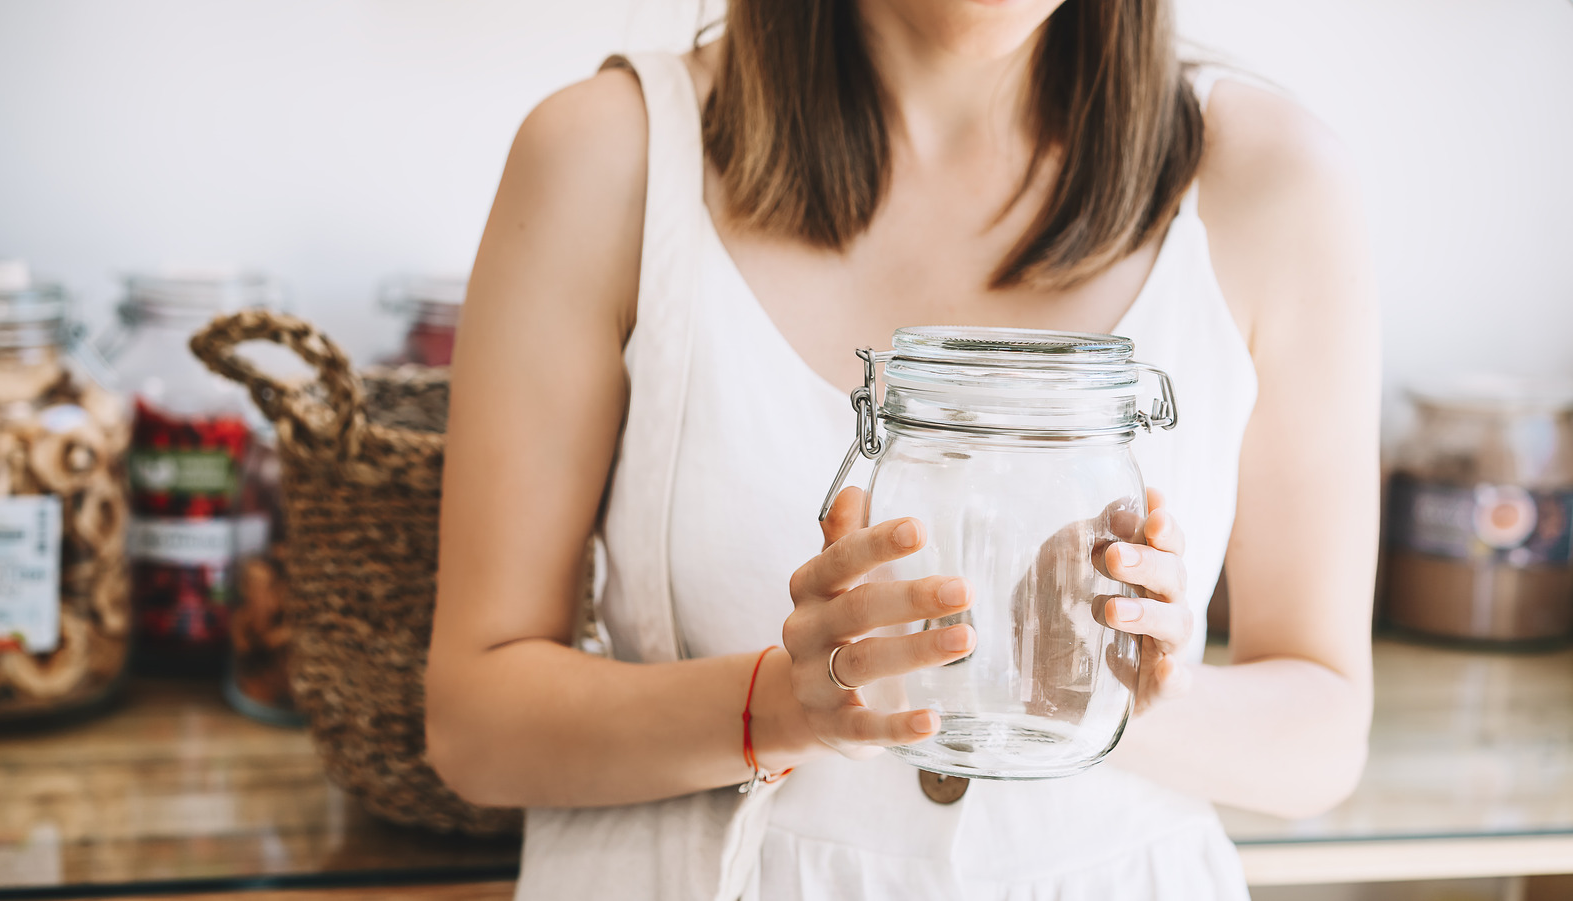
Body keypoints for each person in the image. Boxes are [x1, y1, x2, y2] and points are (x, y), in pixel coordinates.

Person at [425, 0, 1380, 897]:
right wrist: (778, 703)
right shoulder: (606, 156)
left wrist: (1131, 690)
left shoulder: (1272, 179)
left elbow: (1323, 735)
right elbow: (475, 724)